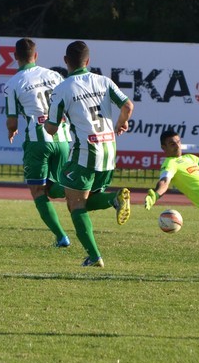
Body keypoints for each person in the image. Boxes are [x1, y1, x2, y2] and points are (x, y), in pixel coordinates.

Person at [44, 41, 134, 267]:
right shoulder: (104, 81)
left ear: (66, 61)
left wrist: (48, 121)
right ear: (88, 61)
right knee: (85, 201)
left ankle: (94, 257)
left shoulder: (62, 89)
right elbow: (127, 106)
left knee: (75, 205)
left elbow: (51, 129)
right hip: (109, 151)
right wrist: (121, 123)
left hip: (85, 152)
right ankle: (113, 200)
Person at [4, 38, 72, 248]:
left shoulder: (12, 83)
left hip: (38, 141)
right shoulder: (54, 75)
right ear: (36, 55)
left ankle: (61, 237)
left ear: (15, 56)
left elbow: (12, 121)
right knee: (54, 188)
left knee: (38, 191)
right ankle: (90, 192)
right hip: (63, 138)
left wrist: (11, 131)